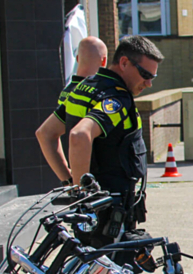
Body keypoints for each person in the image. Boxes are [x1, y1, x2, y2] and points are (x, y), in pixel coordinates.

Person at [66, 35, 163, 245]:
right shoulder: (117, 98)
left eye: (152, 77)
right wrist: (85, 196)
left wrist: (71, 185)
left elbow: (45, 134)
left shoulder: (84, 87)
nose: (148, 83)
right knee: (112, 272)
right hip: (108, 207)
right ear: (124, 63)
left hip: (96, 212)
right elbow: (79, 135)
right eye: (145, 75)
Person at [35, 37, 108, 183]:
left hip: (78, 174)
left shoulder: (68, 91)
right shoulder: (99, 92)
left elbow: (45, 134)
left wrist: (67, 179)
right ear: (104, 61)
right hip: (99, 176)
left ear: (78, 58)